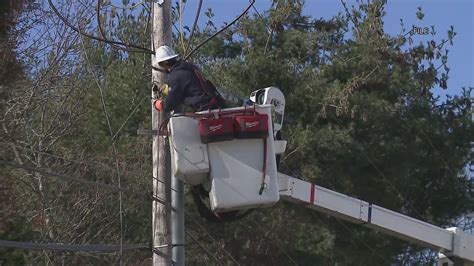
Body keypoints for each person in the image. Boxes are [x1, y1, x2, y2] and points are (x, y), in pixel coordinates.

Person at [153, 45, 224, 113]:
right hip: (214, 104)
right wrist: (167, 89)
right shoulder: (189, 67)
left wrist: (158, 104)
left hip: (204, 108)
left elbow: (169, 104)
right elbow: (187, 88)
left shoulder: (176, 76)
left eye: (160, 64)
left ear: (165, 62)